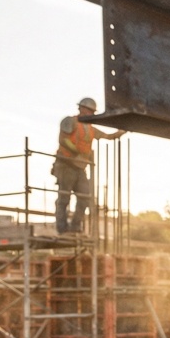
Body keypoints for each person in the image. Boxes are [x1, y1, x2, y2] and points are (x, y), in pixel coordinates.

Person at [52, 97, 126, 235]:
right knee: (64, 198)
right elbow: (63, 140)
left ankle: (75, 227)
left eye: (92, 111)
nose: (90, 114)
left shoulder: (91, 129)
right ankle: (62, 229)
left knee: (85, 197)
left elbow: (109, 136)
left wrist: (124, 130)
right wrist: (77, 152)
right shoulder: (70, 121)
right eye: (88, 110)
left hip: (80, 167)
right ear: (81, 109)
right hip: (66, 164)